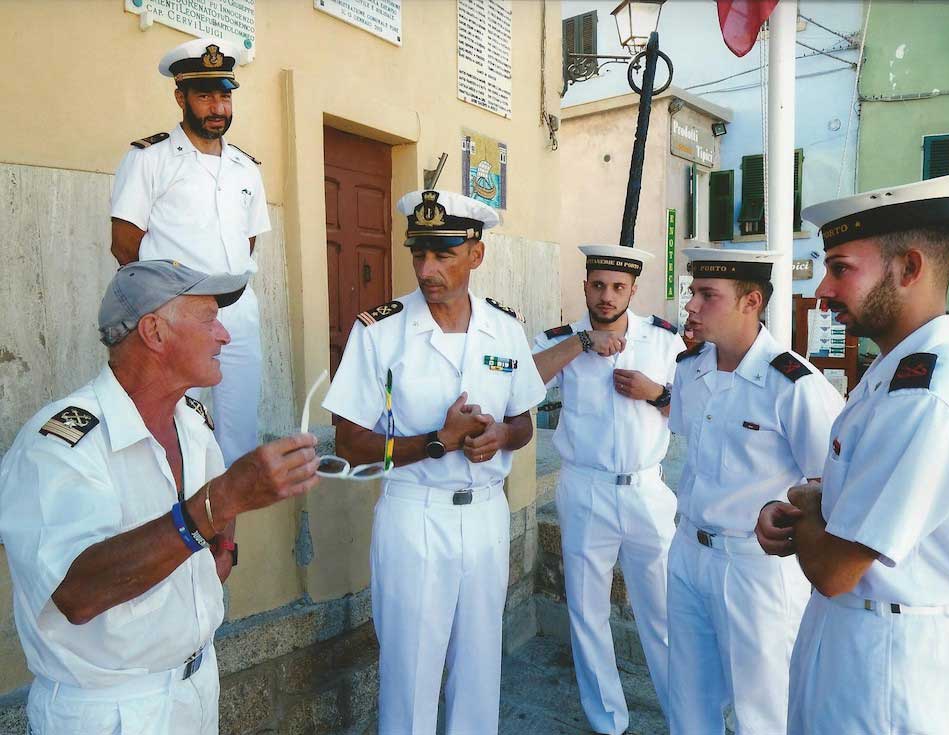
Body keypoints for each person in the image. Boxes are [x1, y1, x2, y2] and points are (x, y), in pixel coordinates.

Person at [0, 261, 320, 735]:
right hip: (109, 713)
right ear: (154, 331)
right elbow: (77, 594)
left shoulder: (190, 419)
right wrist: (222, 499)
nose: (225, 336)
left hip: (196, 686)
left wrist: (225, 543)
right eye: (209, 317)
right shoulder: (61, 444)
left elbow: (216, 501)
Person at [756, 172, 949, 734]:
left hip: (889, 661)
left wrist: (809, 509)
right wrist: (811, 503)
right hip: (857, 637)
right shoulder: (894, 376)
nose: (821, 289)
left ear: (909, 268)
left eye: (840, 267)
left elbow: (836, 567)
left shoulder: (928, 398)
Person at [321, 187, 546, 734]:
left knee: (478, 665)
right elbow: (349, 440)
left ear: (476, 255)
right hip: (414, 514)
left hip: (487, 515)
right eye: (419, 254)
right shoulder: (380, 330)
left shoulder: (506, 328)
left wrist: (499, 435)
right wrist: (436, 442)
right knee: (410, 670)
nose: (428, 269)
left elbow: (525, 422)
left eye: (443, 255)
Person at [667, 248, 844, 735]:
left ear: (751, 300)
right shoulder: (690, 368)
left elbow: (829, 481)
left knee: (761, 706)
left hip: (753, 566)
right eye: (693, 293)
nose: (692, 306)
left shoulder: (792, 383)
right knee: (687, 692)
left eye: (707, 295)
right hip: (688, 549)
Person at [531, 244, 684, 734]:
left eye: (618, 287)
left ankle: (681, 710)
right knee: (587, 609)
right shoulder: (562, 340)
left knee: (661, 609)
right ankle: (607, 720)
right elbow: (522, 383)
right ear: (585, 286)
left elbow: (698, 409)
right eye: (597, 285)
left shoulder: (664, 341)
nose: (606, 295)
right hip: (585, 488)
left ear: (633, 291)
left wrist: (655, 393)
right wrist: (582, 343)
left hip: (646, 490)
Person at [110, 37, 270, 467]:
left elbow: (246, 242)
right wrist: (167, 303)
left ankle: (228, 530)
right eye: (205, 96)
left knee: (240, 426)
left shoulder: (246, 169)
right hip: (176, 316)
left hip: (238, 313)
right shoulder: (149, 159)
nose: (217, 108)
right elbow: (125, 245)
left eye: (224, 96)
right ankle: (173, 520)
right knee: (175, 420)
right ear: (180, 97)